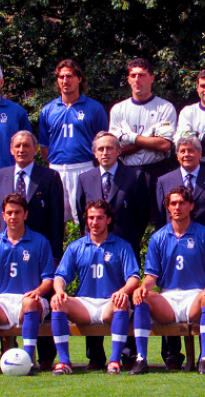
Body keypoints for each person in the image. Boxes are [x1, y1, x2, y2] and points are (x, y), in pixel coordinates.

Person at [155, 136, 205, 368]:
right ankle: (172, 355)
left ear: (200, 154)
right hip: (174, 250)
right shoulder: (164, 180)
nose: (186, 154)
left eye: (191, 150)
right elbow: (159, 217)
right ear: (177, 155)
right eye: (182, 151)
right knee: (170, 297)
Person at [131, 187, 205, 374]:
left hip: (196, 297)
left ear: (191, 206)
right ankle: (141, 359)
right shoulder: (158, 237)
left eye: (182, 203)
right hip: (168, 298)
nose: (177, 207)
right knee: (142, 297)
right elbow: (151, 276)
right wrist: (142, 288)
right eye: (173, 203)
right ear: (167, 207)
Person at [75, 131, 148, 369]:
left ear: (119, 151)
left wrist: (130, 241)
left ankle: (127, 353)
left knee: (124, 297)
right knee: (92, 295)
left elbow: (142, 214)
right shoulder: (85, 178)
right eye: (100, 149)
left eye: (109, 148)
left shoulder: (135, 176)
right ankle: (95, 356)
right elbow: (81, 212)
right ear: (94, 153)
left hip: (124, 249)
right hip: (94, 250)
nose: (105, 152)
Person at [0, 193, 55, 376]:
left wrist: (37, 292)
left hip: (31, 301)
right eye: (9, 213)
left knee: (29, 302)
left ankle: (27, 361)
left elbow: (48, 279)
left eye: (17, 212)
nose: (13, 216)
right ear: (3, 215)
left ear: (25, 214)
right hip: (3, 302)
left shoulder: (40, 241)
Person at [50, 199, 140, 375]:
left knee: (122, 301)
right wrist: (59, 291)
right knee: (58, 303)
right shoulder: (76, 247)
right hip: (84, 304)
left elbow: (134, 277)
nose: (94, 222)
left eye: (99, 218)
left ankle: (114, 361)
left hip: (110, 303)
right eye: (91, 218)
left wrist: (122, 291)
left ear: (108, 220)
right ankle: (64, 362)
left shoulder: (122, 246)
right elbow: (60, 276)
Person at [39, 59, 108, 223]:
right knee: (56, 221)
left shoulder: (94, 108)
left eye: (69, 76)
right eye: (61, 77)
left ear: (79, 78)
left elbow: (104, 143)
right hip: (56, 169)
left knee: (88, 219)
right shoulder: (48, 110)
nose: (65, 80)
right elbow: (44, 147)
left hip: (85, 168)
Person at [109, 58, 177, 225]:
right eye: (133, 76)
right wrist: (150, 138)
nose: (137, 80)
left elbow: (164, 145)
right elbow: (115, 150)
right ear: (128, 79)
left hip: (157, 171)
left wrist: (129, 137)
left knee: (161, 223)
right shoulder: (118, 109)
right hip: (127, 172)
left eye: (142, 75)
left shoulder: (165, 108)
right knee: (127, 226)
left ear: (151, 78)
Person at [0, 131, 64, 260]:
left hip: (38, 252)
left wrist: (55, 257)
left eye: (26, 145)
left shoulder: (50, 177)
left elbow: (56, 220)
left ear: (35, 149)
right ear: (11, 150)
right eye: (17, 146)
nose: (21, 150)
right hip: (4, 252)